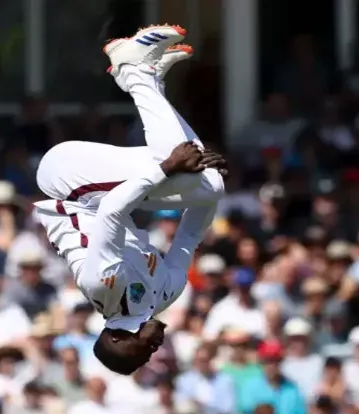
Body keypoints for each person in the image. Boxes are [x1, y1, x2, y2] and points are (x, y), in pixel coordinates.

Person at [33, 24, 226, 375]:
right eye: (149, 358)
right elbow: (189, 236)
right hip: (101, 191)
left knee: (176, 162)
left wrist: (169, 169)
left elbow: (109, 213)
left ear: (118, 339)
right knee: (207, 183)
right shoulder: (165, 295)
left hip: (65, 180)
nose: (152, 351)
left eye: (140, 353)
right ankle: (149, 82)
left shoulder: (103, 287)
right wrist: (210, 184)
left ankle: (135, 70)